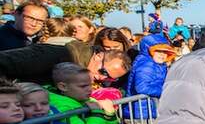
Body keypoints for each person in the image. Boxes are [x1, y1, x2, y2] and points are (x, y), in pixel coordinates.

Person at [0, 39, 130, 86]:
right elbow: (5, 61)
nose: (101, 78)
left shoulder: (83, 71)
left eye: (109, 79)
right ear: (98, 56)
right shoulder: (55, 55)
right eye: (103, 72)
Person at [124, 34, 176, 119]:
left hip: (148, 109)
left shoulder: (157, 64)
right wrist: (165, 91)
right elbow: (142, 87)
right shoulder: (146, 64)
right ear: (148, 50)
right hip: (141, 112)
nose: (162, 55)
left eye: (165, 52)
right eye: (158, 51)